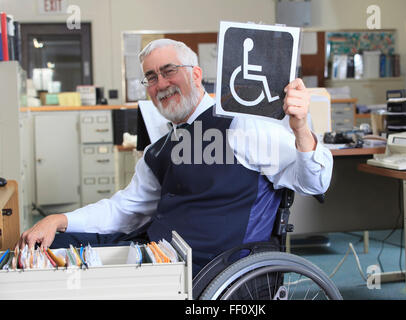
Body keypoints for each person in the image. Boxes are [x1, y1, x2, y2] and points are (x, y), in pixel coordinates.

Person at [17, 39, 333, 275]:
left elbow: (314, 181)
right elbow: (126, 207)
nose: (161, 84)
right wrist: (59, 219)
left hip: (208, 269)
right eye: (151, 77)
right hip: (155, 254)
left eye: (169, 71)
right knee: (49, 248)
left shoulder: (243, 125)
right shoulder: (160, 148)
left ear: (196, 74)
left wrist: (302, 128)